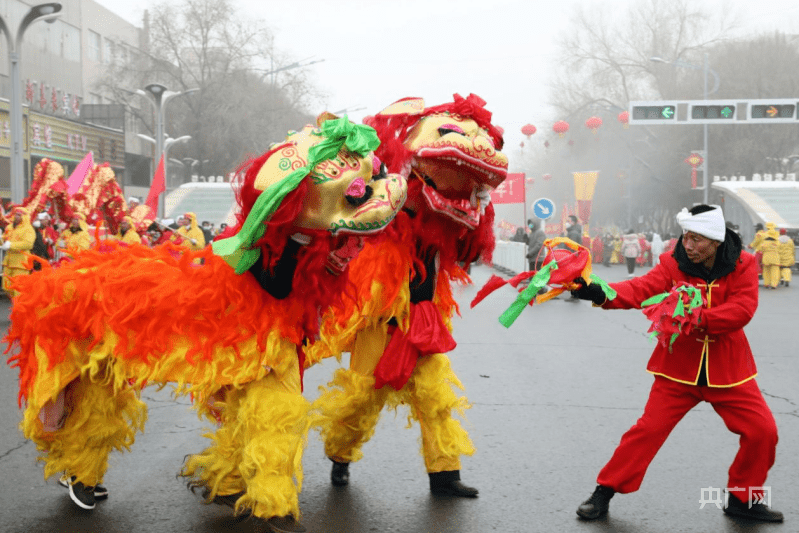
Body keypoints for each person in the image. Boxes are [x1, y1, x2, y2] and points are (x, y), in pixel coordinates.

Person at [572, 204, 782, 523]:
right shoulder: (673, 263)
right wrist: (599, 292)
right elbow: (641, 289)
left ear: (715, 240)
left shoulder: (743, 263)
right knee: (646, 431)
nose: (688, 245)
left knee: (763, 431)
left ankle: (745, 499)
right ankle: (604, 491)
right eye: (686, 237)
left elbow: (743, 308)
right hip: (677, 369)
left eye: (697, 239)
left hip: (729, 370)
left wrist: (699, 317)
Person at [2, 206, 36, 297]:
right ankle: (15, 306)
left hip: (21, 263)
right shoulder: (9, 227)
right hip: (9, 262)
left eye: (19, 215)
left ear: (24, 217)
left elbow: (28, 244)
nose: (16, 216)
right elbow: (4, 240)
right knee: (6, 287)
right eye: (16, 214)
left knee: (18, 290)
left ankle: (19, 309)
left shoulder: (29, 229)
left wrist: (11, 245)